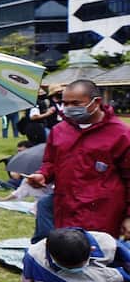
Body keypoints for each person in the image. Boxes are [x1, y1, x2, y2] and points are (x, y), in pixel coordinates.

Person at [25, 80, 130, 239]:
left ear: (97, 102)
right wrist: (43, 175)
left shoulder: (120, 134)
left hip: (102, 214)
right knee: (62, 254)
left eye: (76, 103)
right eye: (65, 103)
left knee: (96, 258)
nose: (69, 108)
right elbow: (51, 162)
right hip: (65, 207)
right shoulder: (59, 130)